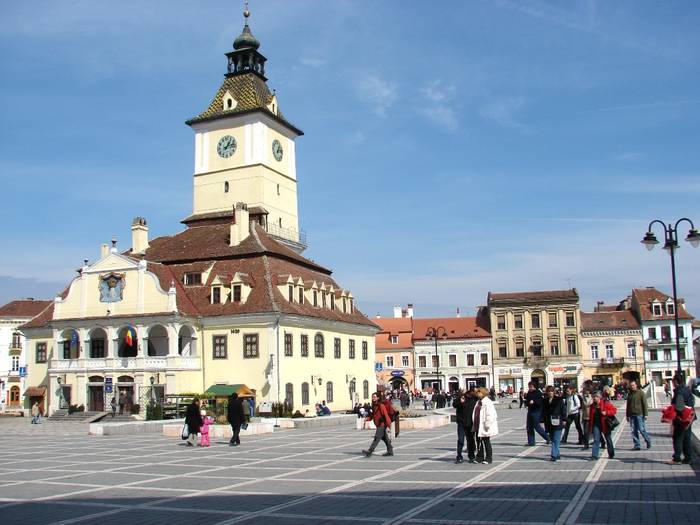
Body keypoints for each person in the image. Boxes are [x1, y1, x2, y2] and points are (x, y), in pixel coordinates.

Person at [669, 373, 696, 465]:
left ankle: (677, 458)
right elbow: (693, 401)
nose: (672, 383)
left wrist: (672, 408)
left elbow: (679, 407)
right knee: (686, 438)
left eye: (673, 381)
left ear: (676, 382)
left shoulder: (679, 391)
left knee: (677, 438)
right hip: (690, 417)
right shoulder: (687, 389)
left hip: (681, 419)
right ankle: (688, 458)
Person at [362, 392, 393, 457]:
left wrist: (389, 425)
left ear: (378, 398)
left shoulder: (381, 406)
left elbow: (386, 415)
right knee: (385, 438)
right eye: (372, 397)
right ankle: (390, 451)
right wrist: (368, 418)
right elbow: (373, 415)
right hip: (378, 424)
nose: (373, 398)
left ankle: (370, 451)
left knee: (377, 438)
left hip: (382, 424)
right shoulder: (374, 406)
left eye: (375, 397)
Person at [588, 391, 617, 460]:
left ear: (599, 397)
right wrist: (590, 427)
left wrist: (606, 412)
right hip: (596, 425)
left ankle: (611, 453)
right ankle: (594, 455)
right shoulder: (592, 406)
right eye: (593, 397)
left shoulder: (605, 403)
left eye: (595, 397)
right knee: (596, 439)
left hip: (605, 424)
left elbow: (614, 410)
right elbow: (590, 417)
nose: (594, 398)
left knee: (608, 439)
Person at [453, 387, 477, 463]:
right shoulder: (462, 397)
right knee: (460, 440)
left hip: (470, 423)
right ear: (471, 391)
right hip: (461, 423)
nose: (476, 393)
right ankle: (459, 456)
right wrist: (461, 402)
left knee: (471, 440)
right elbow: (454, 404)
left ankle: (471, 456)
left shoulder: (475, 399)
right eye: (475, 392)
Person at [542, 386, 566, 462]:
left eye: (551, 391)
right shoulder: (545, 401)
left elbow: (563, 409)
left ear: (554, 392)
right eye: (548, 391)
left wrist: (564, 419)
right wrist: (542, 420)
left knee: (556, 439)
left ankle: (553, 455)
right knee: (552, 439)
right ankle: (557, 454)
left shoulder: (559, 399)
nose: (550, 393)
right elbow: (543, 411)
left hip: (557, 420)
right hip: (549, 422)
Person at [474, 387, 498, 464]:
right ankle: (479, 457)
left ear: (483, 393)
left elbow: (490, 414)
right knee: (478, 441)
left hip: (484, 425)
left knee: (486, 441)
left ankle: (488, 458)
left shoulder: (487, 402)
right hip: (478, 424)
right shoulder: (478, 402)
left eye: (479, 392)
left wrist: (487, 424)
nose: (477, 394)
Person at [626, 380, 651, 451]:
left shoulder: (641, 393)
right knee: (633, 431)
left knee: (641, 429)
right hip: (631, 415)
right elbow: (628, 405)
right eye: (631, 386)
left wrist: (646, 414)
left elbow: (645, 404)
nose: (632, 387)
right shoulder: (630, 394)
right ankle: (637, 445)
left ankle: (648, 440)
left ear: (636, 385)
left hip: (639, 414)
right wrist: (627, 415)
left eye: (633, 385)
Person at [524, 382, 549, 446]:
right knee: (529, 427)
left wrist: (534, 401)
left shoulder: (538, 393)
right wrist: (527, 402)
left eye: (531, 386)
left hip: (536, 411)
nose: (530, 388)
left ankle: (548, 438)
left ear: (534, 387)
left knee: (537, 427)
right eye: (529, 386)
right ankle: (531, 442)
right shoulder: (529, 393)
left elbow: (540, 403)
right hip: (530, 411)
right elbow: (527, 402)